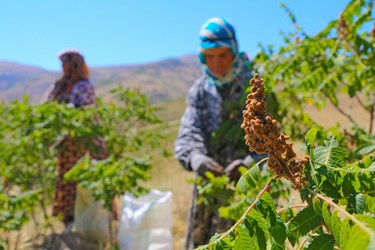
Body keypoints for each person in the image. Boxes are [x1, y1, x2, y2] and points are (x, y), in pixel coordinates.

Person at [174, 17, 265, 249]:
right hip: (208, 188)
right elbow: (187, 136)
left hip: (247, 190)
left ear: (234, 51)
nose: (216, 63)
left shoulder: (254, 87)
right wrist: (197, 159)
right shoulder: (200, 90)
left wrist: (248, 164)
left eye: (222, 54)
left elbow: (272, 145)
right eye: (209, 56)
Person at [44, 49, 107, 230]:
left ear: (74, 65)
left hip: (84, 142)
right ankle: (69, 223)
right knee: (67, 182)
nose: (63, 68)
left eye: (65, 63)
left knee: (85, 182)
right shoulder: (59, 86)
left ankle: (93, 226)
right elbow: (46, 106)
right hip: (66, 145)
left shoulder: (83, 87)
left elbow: (83, 113)